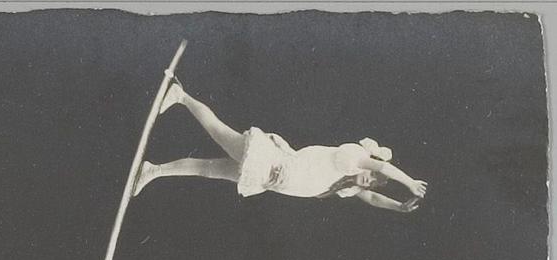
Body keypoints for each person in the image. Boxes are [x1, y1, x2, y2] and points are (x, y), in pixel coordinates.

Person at [135, 76, 427, 213]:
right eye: (371, 175)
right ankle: (181, 95)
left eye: (371, 182)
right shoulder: (353, 157)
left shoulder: (347, 185)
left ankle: (153, 171)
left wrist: (399, 206)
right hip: (271, 163)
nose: (369, 179)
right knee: (217, 131)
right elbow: (383, 167)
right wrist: (410, 182)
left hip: (268, 179)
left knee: (207, 169)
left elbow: (372, 199)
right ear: (370, 164)